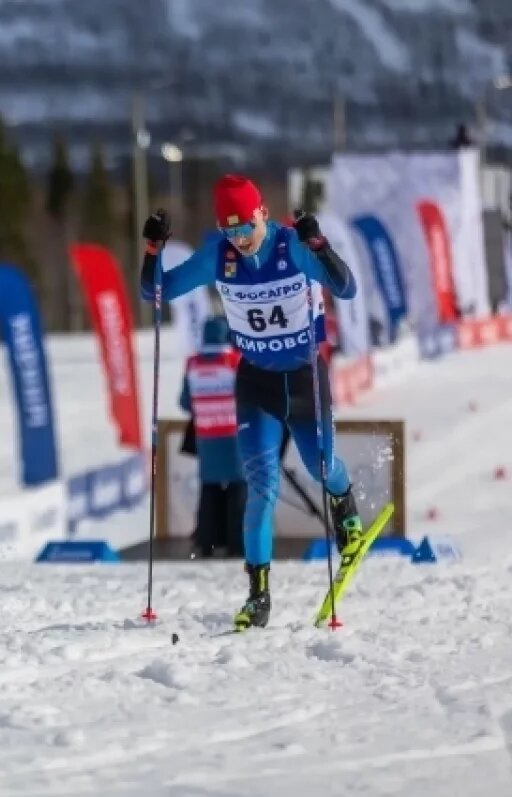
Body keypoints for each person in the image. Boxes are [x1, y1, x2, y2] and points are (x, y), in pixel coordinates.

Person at [141, 175, 364, 630]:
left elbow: (346, 289)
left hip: (304, 380)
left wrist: (319, 246)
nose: (239, 239)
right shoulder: (220, 257)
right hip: (256, 385)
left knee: (322, 465)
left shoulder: (292, 246)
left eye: (245, 226)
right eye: (229, 230)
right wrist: (151, 252)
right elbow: (155, 292)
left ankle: (345, 508)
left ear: (262, 213)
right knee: (261, 490)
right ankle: (257, 596)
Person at [178, 316, 246, 559]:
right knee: (238, 487)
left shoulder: (193, 364)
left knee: (210, 488)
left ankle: (207, 542)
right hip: (234, 435)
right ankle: (237, 543)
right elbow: (248, 396)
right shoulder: (233, 361)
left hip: (206, 435)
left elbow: (184, 402)